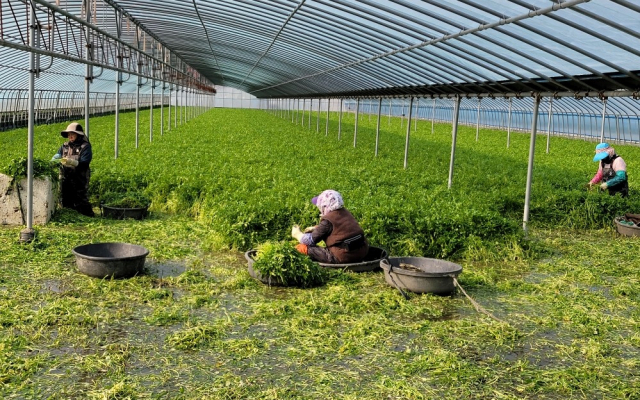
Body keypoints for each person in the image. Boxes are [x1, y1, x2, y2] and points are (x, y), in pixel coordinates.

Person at [291, 189, 369, 264]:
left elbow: (309, 240)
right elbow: (339, 228)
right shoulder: (345, 213)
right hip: (362, 251)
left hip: (344, 257)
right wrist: (316, 228)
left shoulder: (327, 221)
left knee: (302, 248)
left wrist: (297, 234)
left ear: (324, 206)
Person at [51, 122, 95, 216]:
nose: (70, 136)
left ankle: (87, 216)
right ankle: (70, 215)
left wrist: (72, 162)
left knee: (80, 197)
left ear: (78, 135)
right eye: (69, 134)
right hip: (66, 176)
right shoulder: (65, 146)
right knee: (66, 197)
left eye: (72, 134)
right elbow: (58, 155)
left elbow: (85, 163)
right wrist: (54, 159)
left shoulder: (85, 146)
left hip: (80, 177)